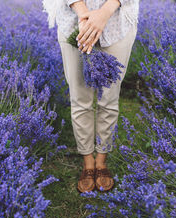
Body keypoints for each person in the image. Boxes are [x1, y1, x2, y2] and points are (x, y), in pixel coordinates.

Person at [43, 0, 139, 193]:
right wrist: (83, 13)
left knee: (109, 99)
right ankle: (88, 164)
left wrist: (104, 12)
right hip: (73, 21)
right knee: (80, 99)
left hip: (116, 22)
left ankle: (101, 162)